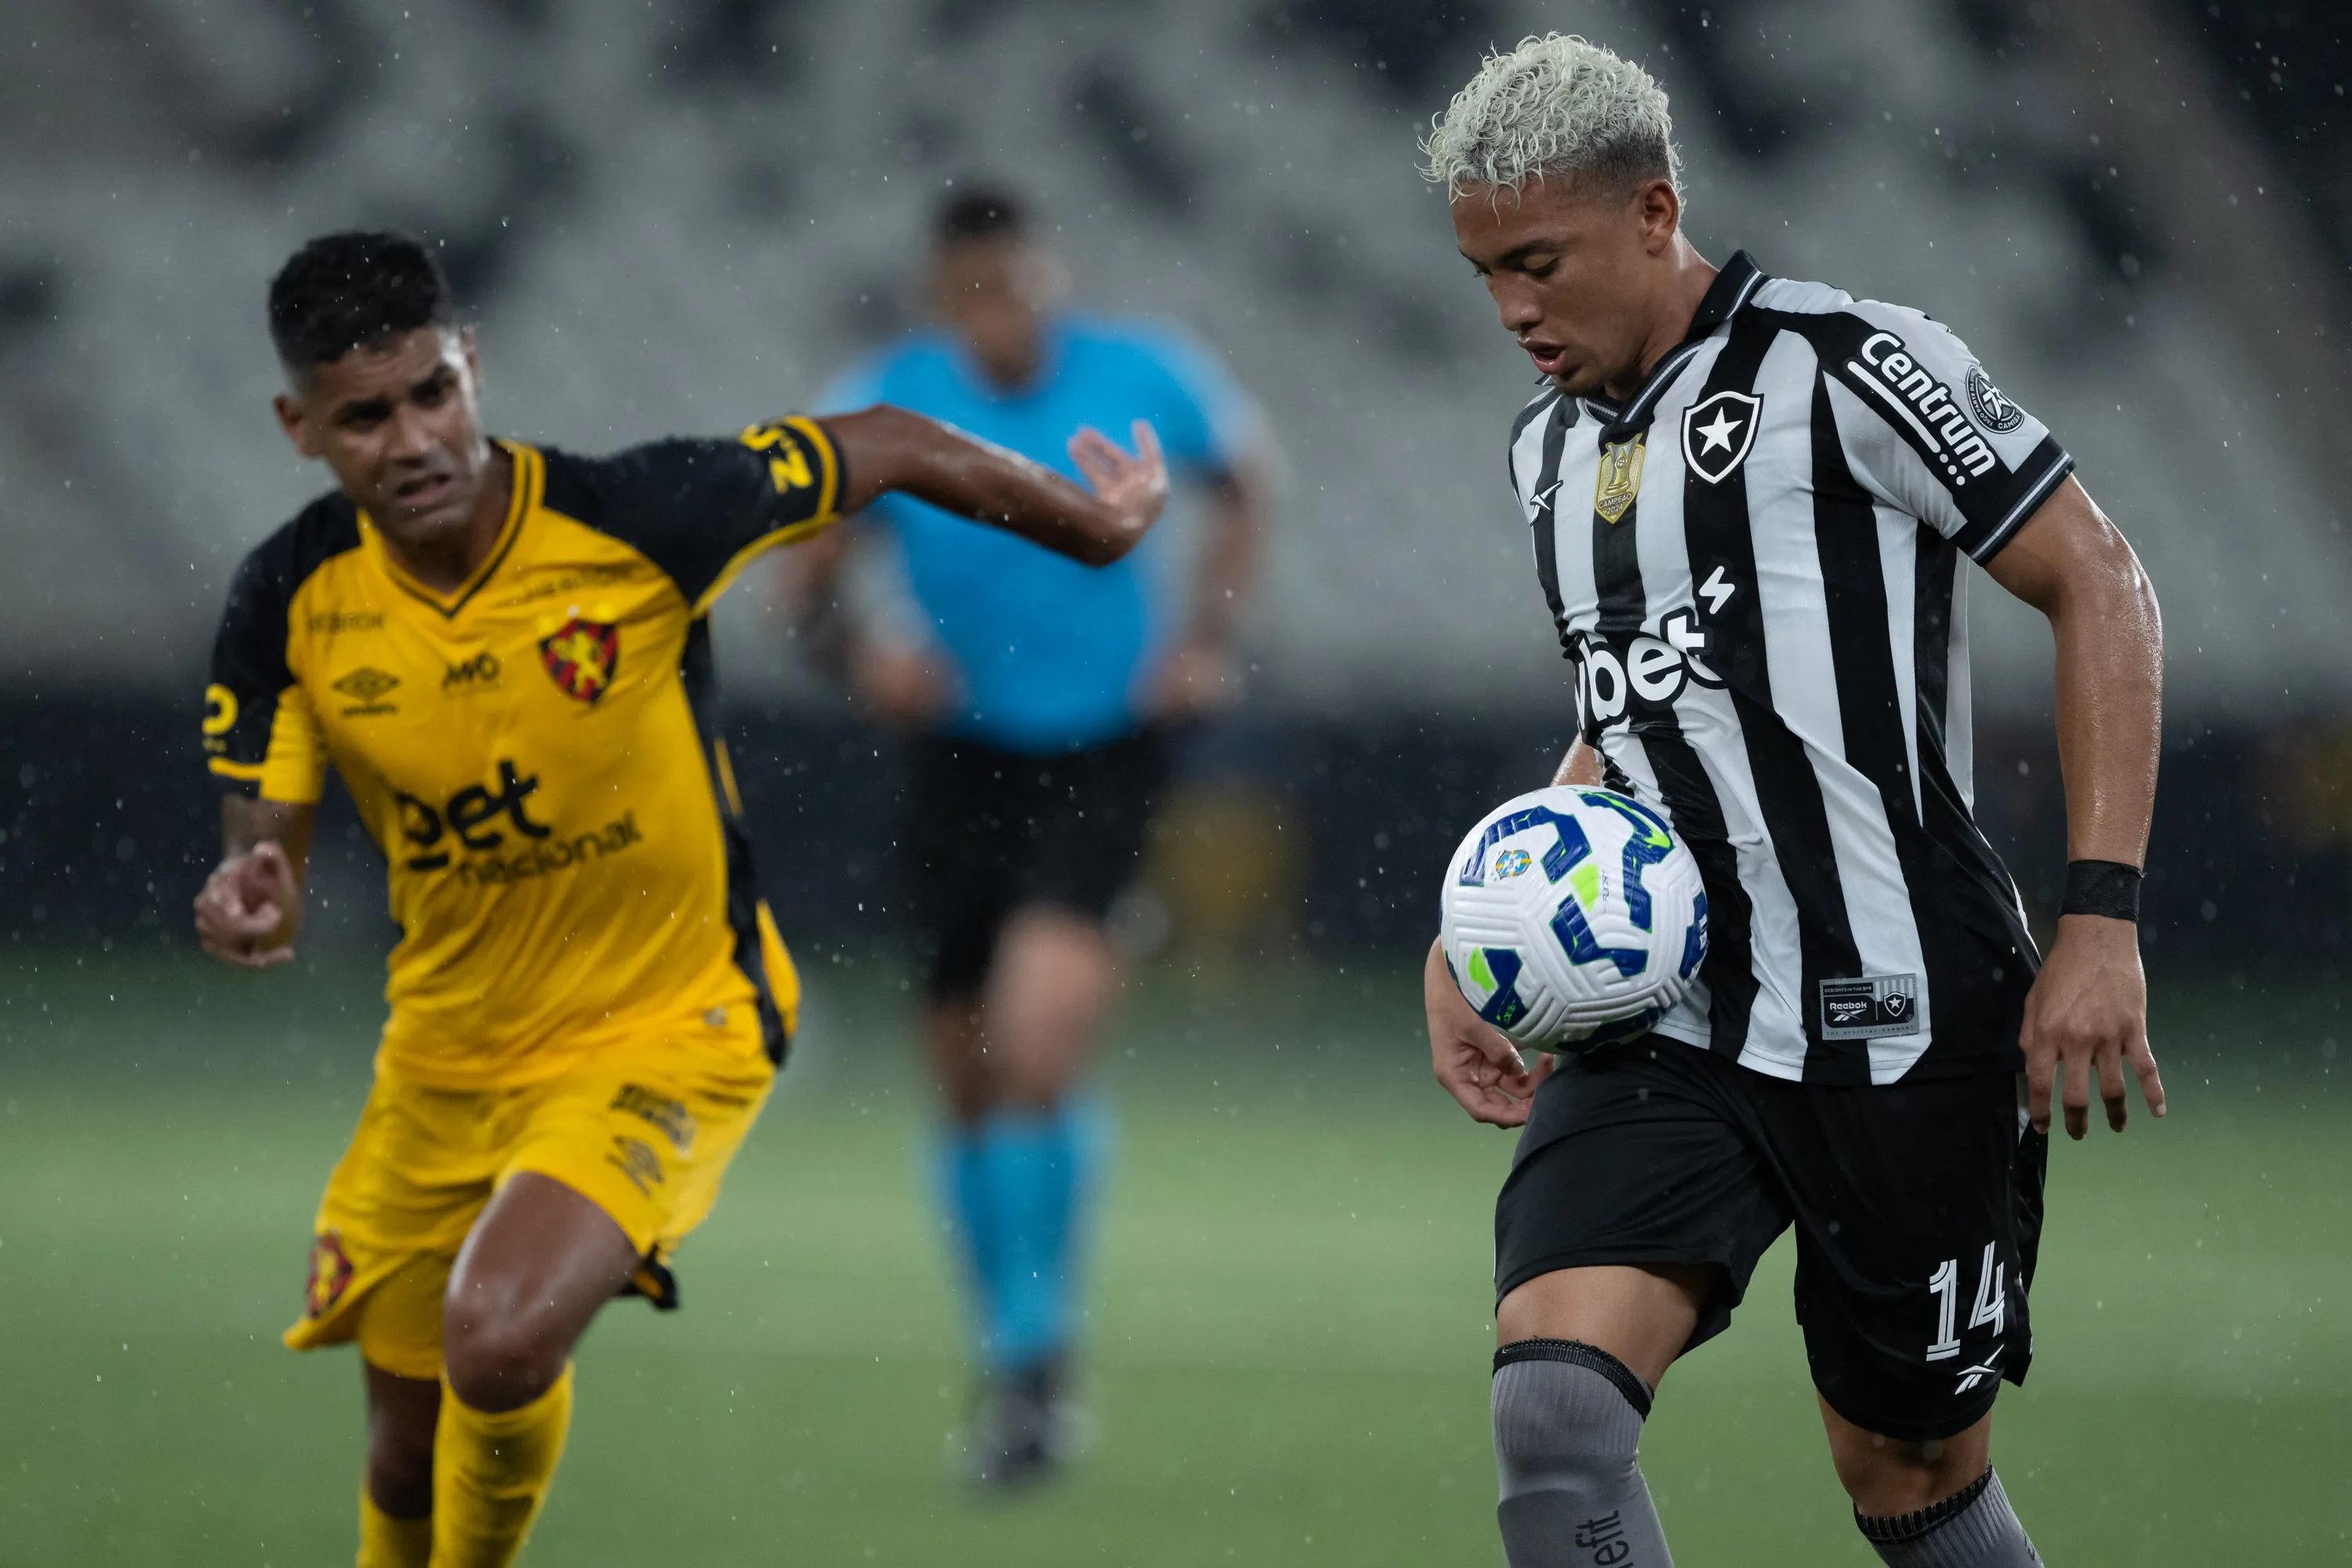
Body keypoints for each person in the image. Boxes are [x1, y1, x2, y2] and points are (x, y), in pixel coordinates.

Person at [191, 230, 1167, 1567]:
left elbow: (881, 441)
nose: (411, 437)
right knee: (404, 1449)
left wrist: (1091, 529)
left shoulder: (632, 519)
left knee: (500, 1333)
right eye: (364, 415)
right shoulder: (287, 597)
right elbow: (270, 835)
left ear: (472, 365)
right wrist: (259, 887)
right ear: (300, 426)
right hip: (447, 1055)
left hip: (669, 1023)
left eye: (432, 392)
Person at [1417, 36, 2165, 1568]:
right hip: (1672, 1008)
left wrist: (2102, 919)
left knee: (1905, 1469)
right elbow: (1630, 713)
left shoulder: (1846, 364)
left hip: (1902, 1002)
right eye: (1485, 273)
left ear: (1652, 212)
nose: (1512, 311)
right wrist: (1479, 933)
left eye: (1539, 263)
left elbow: (2098, 579)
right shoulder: (1547, 455)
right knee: (1554, 1420)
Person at [787, 186, 1271, 1486]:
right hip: (957, 761)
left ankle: (1034, 1363)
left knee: (1036, 1046)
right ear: (945, 296)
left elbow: (1244, 482)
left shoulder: (1146, 371)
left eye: (1021, 282)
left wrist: (1206, 640)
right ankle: (1014, 1347)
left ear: (1051, 274)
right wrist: (863, 658)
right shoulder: (890, 396)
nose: (1006, 311)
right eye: (979, 290)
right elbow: (806, 583)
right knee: (963, 1071)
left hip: (1105, 755)